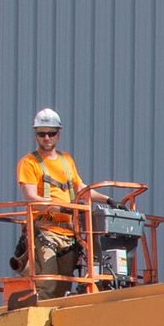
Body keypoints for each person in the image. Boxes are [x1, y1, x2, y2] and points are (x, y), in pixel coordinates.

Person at [16, 108, 108, 298]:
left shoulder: (66, 160)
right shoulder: (29, 163)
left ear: (59, 134)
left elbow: (81, 188)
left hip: (69, 234)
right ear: (36, 135)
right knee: (47, 285)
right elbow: (31, 198)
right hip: (45, 232)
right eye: (42, 133)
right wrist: (61, 207)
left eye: (51, 133)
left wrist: (108, 200)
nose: (47, 138)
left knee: (63, 287)